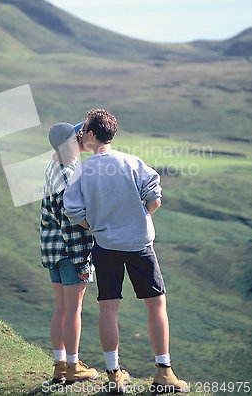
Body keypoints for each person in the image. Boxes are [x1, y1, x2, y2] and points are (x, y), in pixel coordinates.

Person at [64, 109, 189, 394]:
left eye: (84, 129)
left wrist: (96, 225)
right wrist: (140, 218)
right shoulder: (132, 162)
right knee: (156, 303)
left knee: (108, 307)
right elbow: (155, 197)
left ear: (92, 134)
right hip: (139, 244)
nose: (82, 134)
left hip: (105, 246)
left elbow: (73, 212)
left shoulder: (83, 170)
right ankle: (164, 371)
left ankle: (113, 374)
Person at [40, 121, 98, 385]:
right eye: (77, 136)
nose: (81, 138)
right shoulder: (68, 173)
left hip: (53, 250)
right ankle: (74, 367)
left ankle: (60, 365)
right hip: (70, 250)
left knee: (61, 309)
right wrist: (81, 260)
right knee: (73, 311)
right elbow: (70, 220)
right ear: (68, 144)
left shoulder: (54, 166)